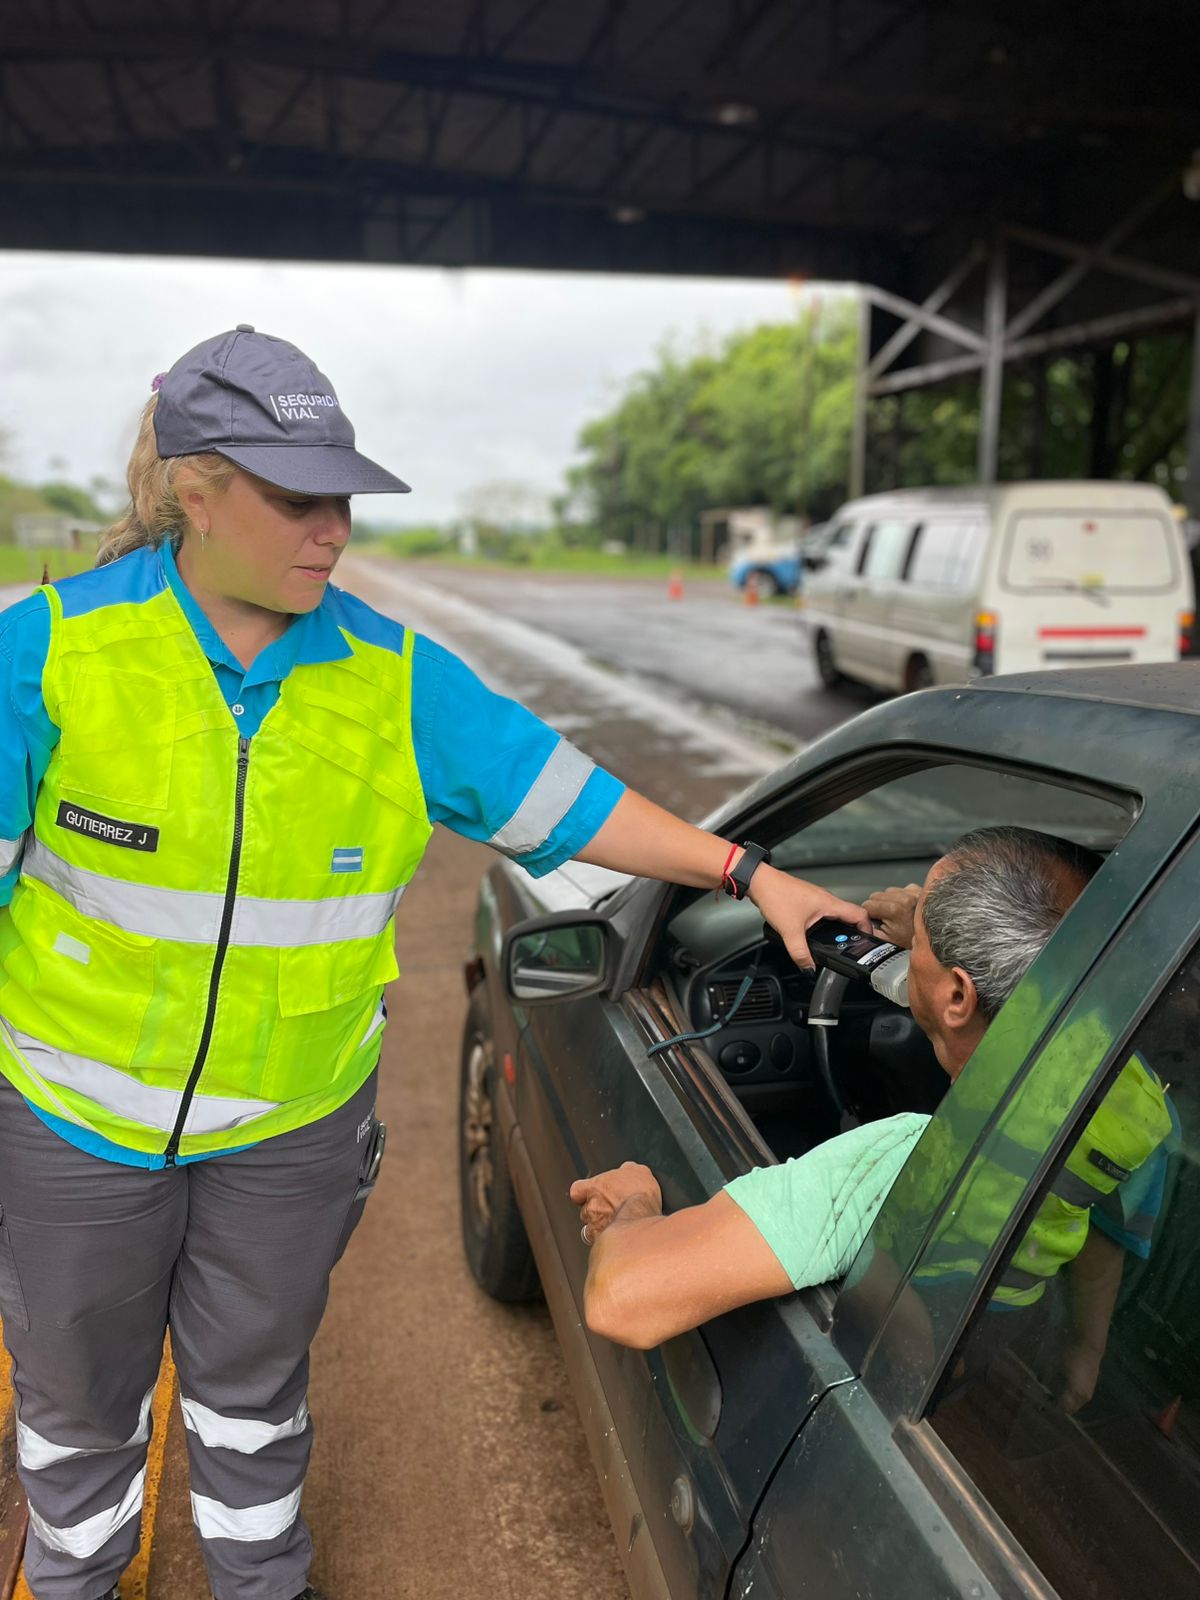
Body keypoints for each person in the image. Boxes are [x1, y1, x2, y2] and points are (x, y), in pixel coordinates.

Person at [0, 326, 869, 1600]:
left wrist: (749, 873)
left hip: (288, 1137)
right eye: (297, 497)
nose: (333, 529)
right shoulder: (50, 655)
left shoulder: (394, 682)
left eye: (342, 496)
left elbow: (573, 804)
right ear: (195, 490)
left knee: (251, 1401)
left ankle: (265, 1584)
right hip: (70, 1126)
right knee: (76, 1418)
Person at [571, 827, 1173, 1411]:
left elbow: (622, 1300)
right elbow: (1107, 1222)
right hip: (986, 1340)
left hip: (904, 1356)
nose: (914, 939)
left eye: (924, 945)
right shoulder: (1134, 1098)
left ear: (959, 997)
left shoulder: (900, 1166)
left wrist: (634, 1203)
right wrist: (1085, 1348)